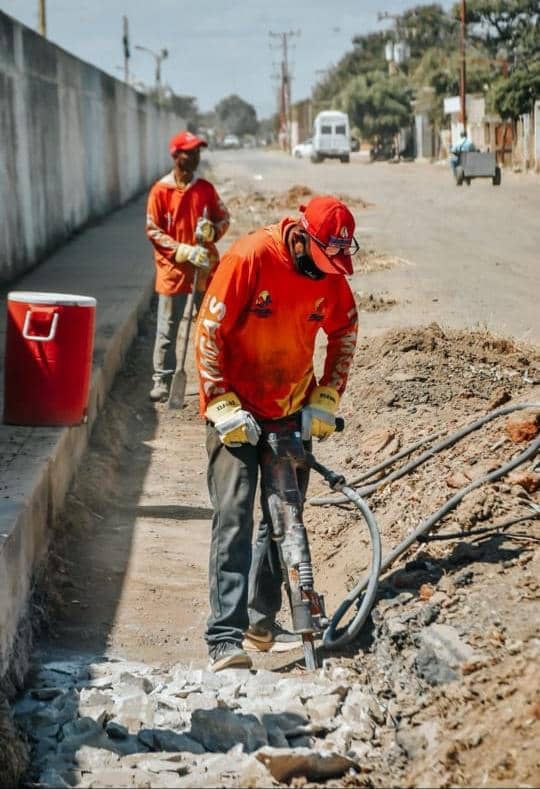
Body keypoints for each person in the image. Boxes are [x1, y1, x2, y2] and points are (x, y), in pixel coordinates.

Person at [195, 195, 359, 672]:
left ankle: (260, 622)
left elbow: (345, 329)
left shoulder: (330, 276)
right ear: (301, 236)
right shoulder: (250, 258)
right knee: (234, 517)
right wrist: (221, 404)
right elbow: (209, 332)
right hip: (236, 408)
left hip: (290, 410)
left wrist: (327, 396)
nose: (327, 271)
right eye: (323, 259)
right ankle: (224, 638)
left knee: (283, 518)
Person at [146, 130, 230, 401]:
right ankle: (162, 379)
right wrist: (181, 250)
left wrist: (212, 231)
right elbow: (153, 229)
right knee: (168, 327)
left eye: (197, 152)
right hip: (173, 271)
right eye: (190, 152)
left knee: (209, 326)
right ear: (176, 155)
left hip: (204, 271)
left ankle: (214, 377)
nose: (195, 157)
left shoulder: (205, 190)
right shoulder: (161, 191)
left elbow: (224, 218)